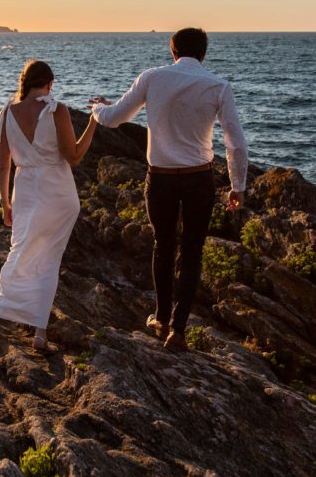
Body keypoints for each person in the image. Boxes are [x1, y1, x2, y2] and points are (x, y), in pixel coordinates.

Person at [90, 28, 248, 352]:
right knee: (192, 253)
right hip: (198, 179)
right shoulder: (218, 86)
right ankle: (178, 330)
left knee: (163, 245)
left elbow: (113, 118)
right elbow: (236, 143)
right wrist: (238, 186)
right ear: (203, 53)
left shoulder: (152, 78)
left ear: (172, 49)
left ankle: (160, 319)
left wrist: (97, 107)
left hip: (160, 178)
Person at [0, 59, 98, 353]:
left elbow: (1, 163)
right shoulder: (56, 109)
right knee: (49, 260)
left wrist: (3, 201)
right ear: (48, 82)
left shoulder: (7, 111)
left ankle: (6, 306)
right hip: (58, 192)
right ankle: (39, 333)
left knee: (21, 249)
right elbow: (73, 157)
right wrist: (94, 122)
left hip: (24, 189)